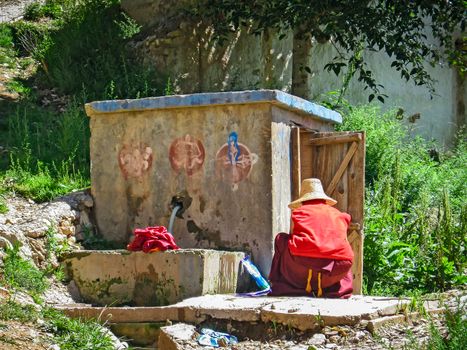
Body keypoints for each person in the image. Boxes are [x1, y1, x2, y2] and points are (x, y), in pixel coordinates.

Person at [269, 178, 354, 298]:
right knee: (343, 249)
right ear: (324, 199)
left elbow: (292, 238)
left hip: (301, 268)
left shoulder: (299, 212)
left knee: (281, 239)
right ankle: (333, 289)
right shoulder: (338, 214)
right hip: (337, 271)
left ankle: (284, 285)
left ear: (303, 200)